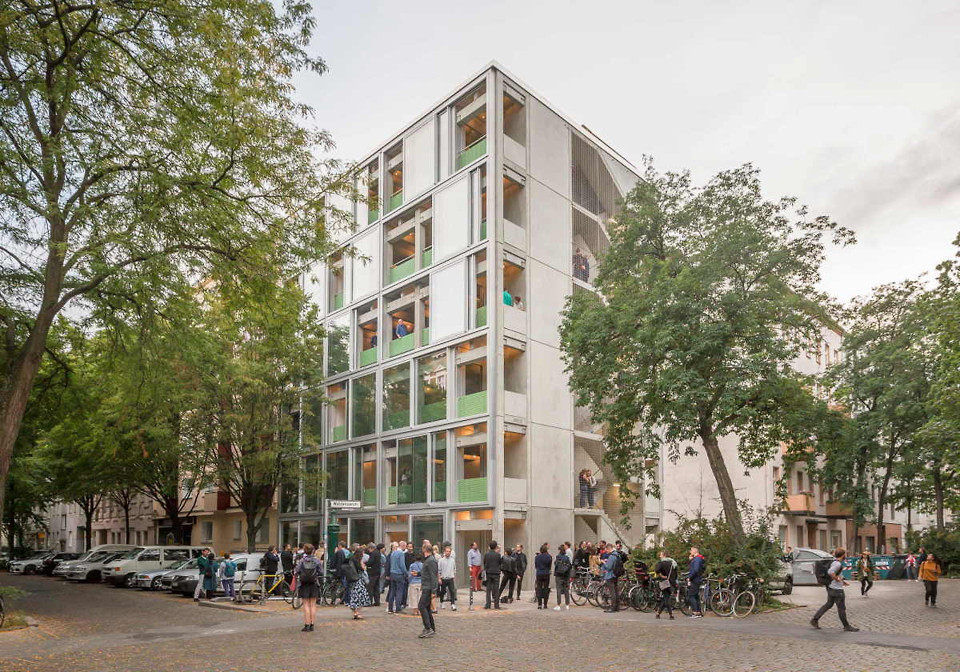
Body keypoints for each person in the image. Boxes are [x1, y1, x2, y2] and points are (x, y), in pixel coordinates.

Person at [810, 547, 858, 632]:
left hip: (831, 588)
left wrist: (842, 581)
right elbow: (830, 572)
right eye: (845, 554)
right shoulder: (837, 564)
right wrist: (837, 579)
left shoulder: (834, 562)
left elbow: (835, 573)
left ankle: (815, 619)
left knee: (828, 604)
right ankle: (846, 626)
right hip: (837, 590)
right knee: (841, 608)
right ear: (843, 555)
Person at [295, 544, 321, 631]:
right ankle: (312, 624)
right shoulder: (316, 560)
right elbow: (321, 572)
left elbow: (297, 571)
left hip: (304, 584)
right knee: (313, 605)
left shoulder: (302, 561)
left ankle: (307, 624)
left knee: (306, 605)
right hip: (314, 583)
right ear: (313, 551)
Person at [418, 542, 439, 638]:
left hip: (428, 587)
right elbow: (427, 573)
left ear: (425, 550)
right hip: (427, 586)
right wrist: (418, 573)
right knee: (426, 607)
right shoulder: (429, 560)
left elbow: (433, 576)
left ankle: (428, 628)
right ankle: (431, 628)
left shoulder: (431, 561)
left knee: (421, 606)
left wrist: (434, 591)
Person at [343, 543, 369, 620]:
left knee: (355, 596)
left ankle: (356, 612)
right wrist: (363, 565)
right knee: (360, 596)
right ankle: (357, 612)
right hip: (357, 580)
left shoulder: (351, 558)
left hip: (351, 579)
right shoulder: (357, 560)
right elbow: (362, 569)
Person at [654, 550, 677, 620]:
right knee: (666, 597)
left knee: (666, 598)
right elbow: (676, 573)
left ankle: (671, 614)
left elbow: (657, 570)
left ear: (664, 555)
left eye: (660, 555)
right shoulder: (673, 562)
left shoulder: (661, 563)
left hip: (664, 581)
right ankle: (658, 613)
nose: (660, 556)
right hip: (672, 582)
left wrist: (661, 575)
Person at [388, 541, 409, 614]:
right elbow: (402, 565)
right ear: (403, 546)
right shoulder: (401, 553)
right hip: (399, 574)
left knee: (392, 591)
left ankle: (390, 608)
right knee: (399, 591)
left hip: (392, 573)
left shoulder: (393, 553)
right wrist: (406, 573)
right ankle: (398, 608)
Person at [687, 546, 705, 618]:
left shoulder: (697, 559)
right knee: (696, 596)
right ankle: (698, 612)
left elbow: (695, 570)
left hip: (695, 579)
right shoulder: (698, 559)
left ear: (695, 551)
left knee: (691, 596)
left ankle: (695, 612)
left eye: (691, 550)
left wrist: (690, 577)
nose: (690, 551)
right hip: (698, 579)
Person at [483, 540, 502, 609]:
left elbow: (485, 563)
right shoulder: (498, 555)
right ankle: (496, 605)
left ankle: (488, 605)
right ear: (495, 547)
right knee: (496, 589)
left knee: (488, 589)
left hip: (489, 573)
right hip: (496, 573)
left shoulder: (486, 554)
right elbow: (500, 563)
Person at [601, 546, 621, 612]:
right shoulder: (617, 555)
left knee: (612, 592)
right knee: (616, 591)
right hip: (616, 575)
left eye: (606, 550)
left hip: (610, 575)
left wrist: (604, 562)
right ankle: (617, 607)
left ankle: (612, 608)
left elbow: (608, 567)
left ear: (609, 549)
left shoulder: (611, 556)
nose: (606, 551)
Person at [554, 543, 572, 610]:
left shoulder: (558, 557)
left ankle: (558, 605)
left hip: (559, 575)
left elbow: (556, 564)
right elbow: (570, 566)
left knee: (558, 589)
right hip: (566, 575)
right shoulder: (567, 558)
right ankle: (567, 604)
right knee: (566, 590)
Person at [438, 545, 457, 611]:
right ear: (444, 552)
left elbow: (454, 569)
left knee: (452, 591)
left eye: (449, 551)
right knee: (442, 591)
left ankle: (453, 604)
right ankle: (442, 602)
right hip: (443, 578)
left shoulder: (452, 560)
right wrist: (439, 578)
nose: (448, 552)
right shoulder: (441, 560)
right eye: (447, 551)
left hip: (450, 578)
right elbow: (439, 570)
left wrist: (453, 576)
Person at [534, 543, 552, 609]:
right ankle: (545, 604)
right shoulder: (549, 556)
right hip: (546, 573)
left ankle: (539, 604)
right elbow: (549, 566)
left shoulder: (537, 557)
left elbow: (536, 566)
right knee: (546, 588)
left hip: (539, 573)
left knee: (539, 588)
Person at [366, 542, 382, 607]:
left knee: (370, 587)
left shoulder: (373, 553)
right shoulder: (378, 552)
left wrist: (365, 563)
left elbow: (370, 562)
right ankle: (377, 602)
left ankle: (369, 602)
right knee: (376, 587)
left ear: (370, 548)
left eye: (368, 549)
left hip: (372, 572)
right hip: (378, 572)